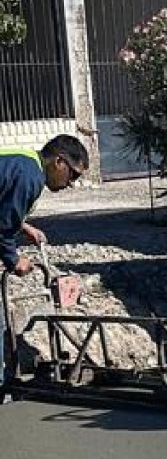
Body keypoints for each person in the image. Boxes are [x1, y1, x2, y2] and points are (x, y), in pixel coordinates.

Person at [0, 135, 90, 381]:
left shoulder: (24, 162)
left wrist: (23, 226)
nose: (71, 183)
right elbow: (2, 226)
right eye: (73, 175)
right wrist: (14, 260)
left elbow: (5, 207)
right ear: (59, 161)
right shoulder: (30, 176)